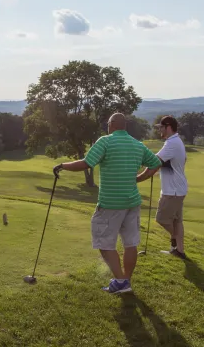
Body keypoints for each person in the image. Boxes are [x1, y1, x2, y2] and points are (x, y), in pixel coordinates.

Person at [53, 113, 163, 294]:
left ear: (111, 125)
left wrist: (63, 165)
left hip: (111, 203)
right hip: (132, 202)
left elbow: (87, 163)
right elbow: (155, 163)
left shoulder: (105, 141)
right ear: (124, 126)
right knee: (130, 244)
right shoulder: (137, 145)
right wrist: (138, 178)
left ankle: (121, 281)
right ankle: (126, 281)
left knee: (104, 243)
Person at [137, 115, 188, 259]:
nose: (159, 129)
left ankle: (175, 239)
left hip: (172, 191)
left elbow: (154, 162)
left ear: (168, 127)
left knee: (161, 219)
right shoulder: (176, 141)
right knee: (176, 221)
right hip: (178, 189)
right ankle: (180, 251)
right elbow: (175, 161)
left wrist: (137, 179)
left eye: (161, 127)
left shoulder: (172, 143)